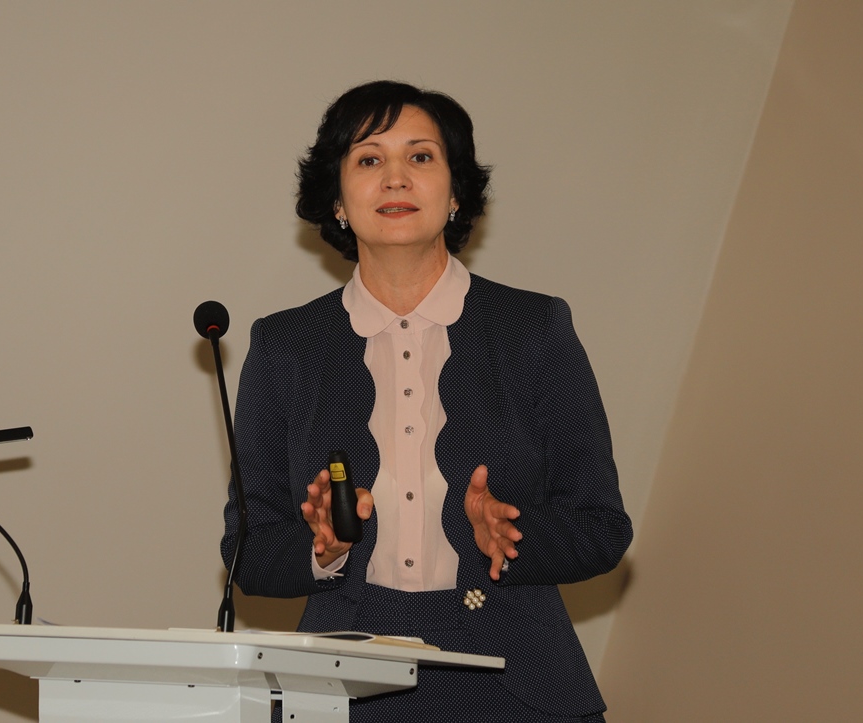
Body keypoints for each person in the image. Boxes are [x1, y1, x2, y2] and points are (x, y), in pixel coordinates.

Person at [223, 80, 632, 722]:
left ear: (456, 191)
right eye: (368, 158)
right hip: (343, 681)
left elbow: (600, 527)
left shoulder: (533, 329)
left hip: (516, 681)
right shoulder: (287, 346)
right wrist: (322, 550)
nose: (396, 177)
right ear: (337, 199)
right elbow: (247, 551)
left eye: (420, 156)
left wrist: (509, 534)